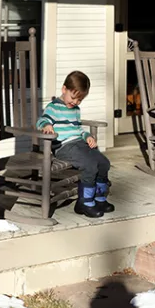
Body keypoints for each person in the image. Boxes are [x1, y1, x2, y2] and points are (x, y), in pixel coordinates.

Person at [37, 71, 114, 217]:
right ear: (64, 89)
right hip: (63, 146)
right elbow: (41, 120)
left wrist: (87, 136)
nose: (75, 102)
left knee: (103, 162)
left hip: (79, 143)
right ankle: (84, 202)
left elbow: (78, 129)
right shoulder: (53, 107)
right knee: (89, 165)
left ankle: (99, 198)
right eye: (73, 98)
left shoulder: (76, 110)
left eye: (80, 100)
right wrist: (47, 125)